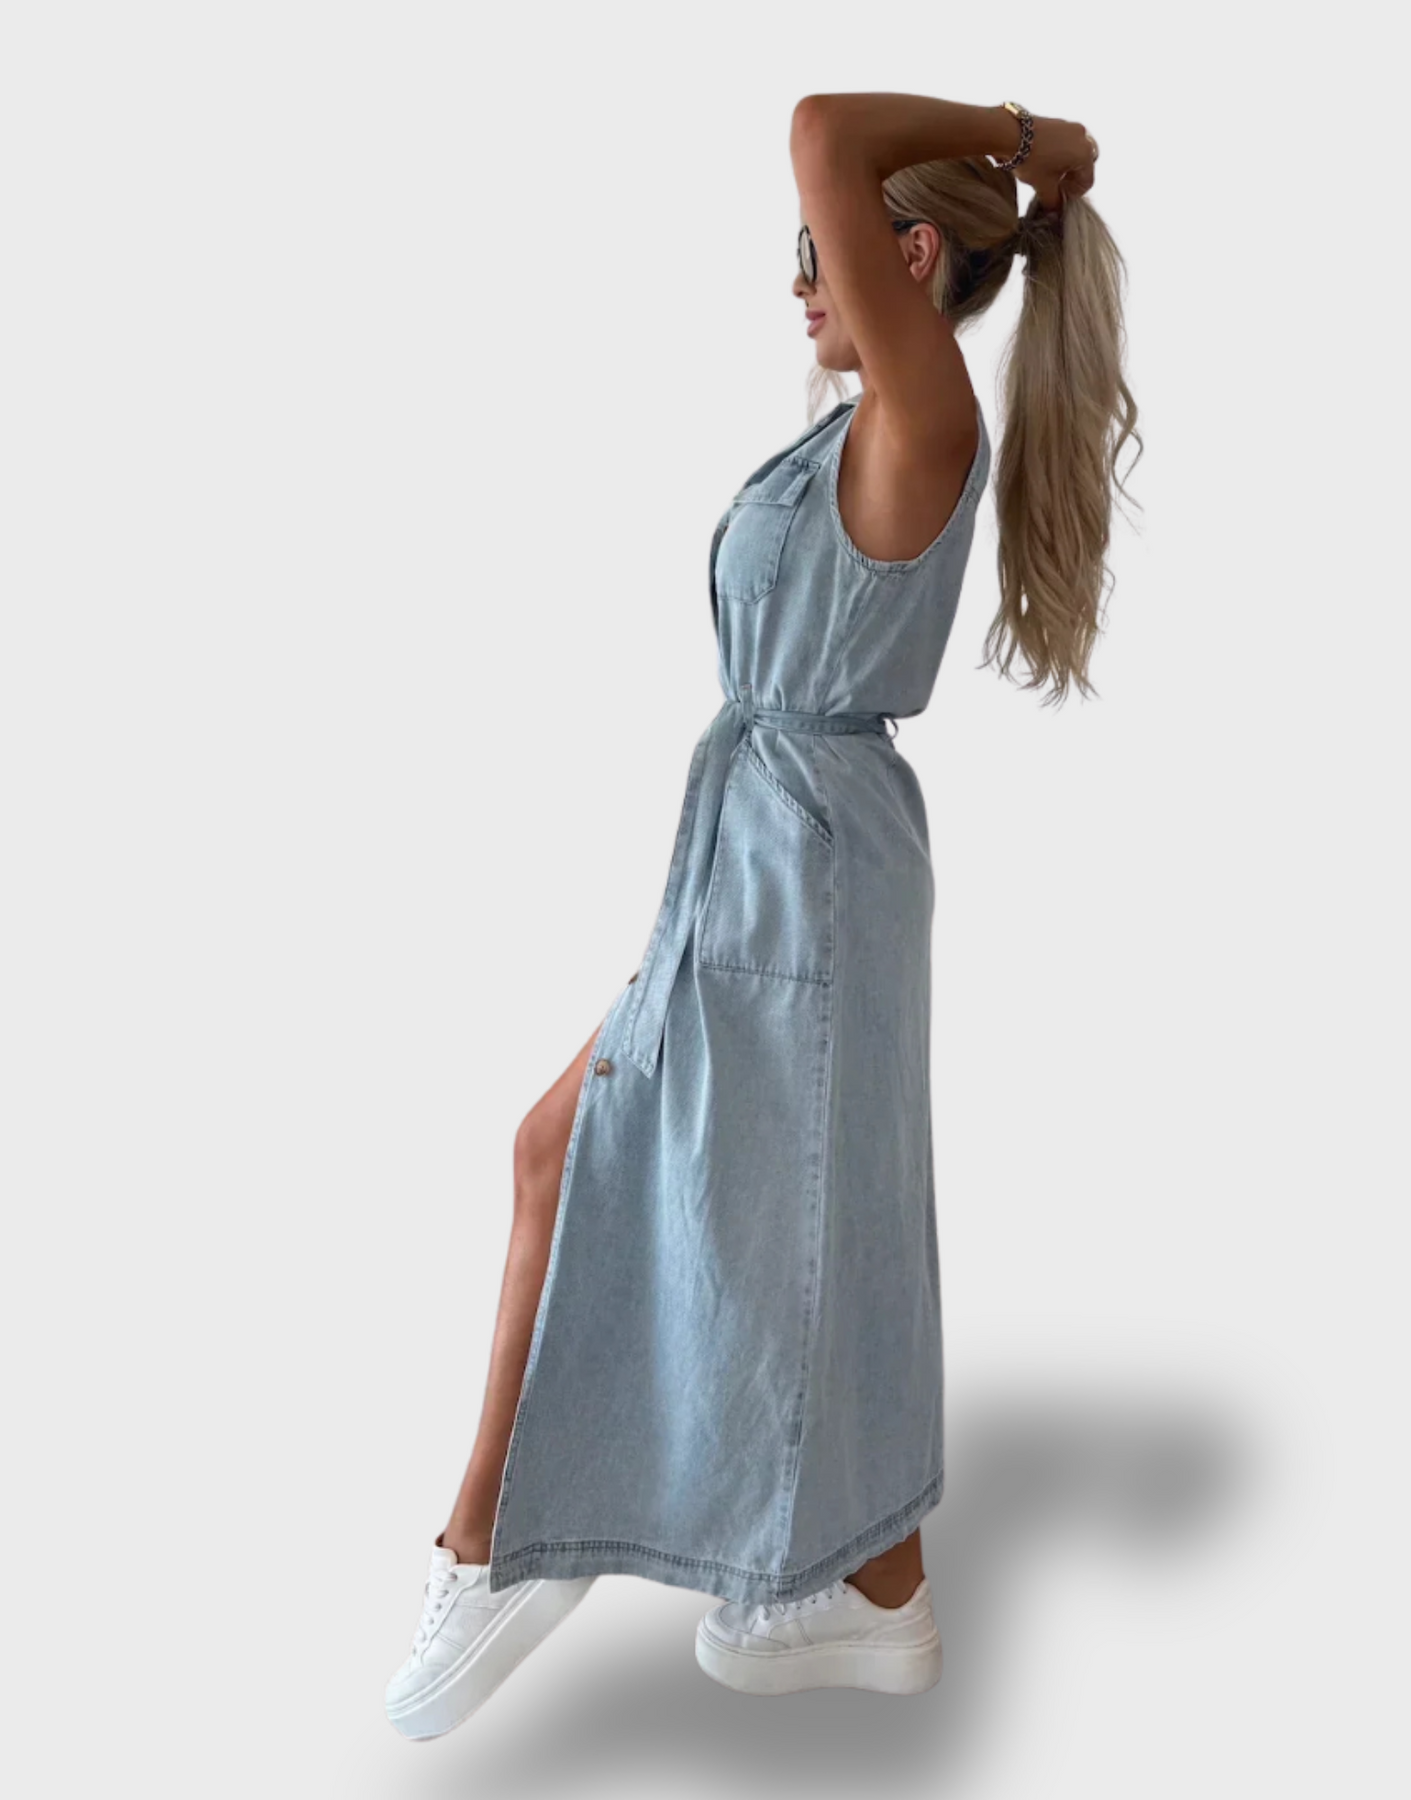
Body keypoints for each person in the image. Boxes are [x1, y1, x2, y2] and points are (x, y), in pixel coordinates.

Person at [383, 92, 1140, 1739]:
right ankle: (870, 1578)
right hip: (773, 849)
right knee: (773, 1202)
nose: (801, 279)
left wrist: (1024, 138)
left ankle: (496, 1538)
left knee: (652, 1173)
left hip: (802, 866)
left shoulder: (923, 410)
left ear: (905, 253)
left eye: (823, 250)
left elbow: (818, 126)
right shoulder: (863, 425)